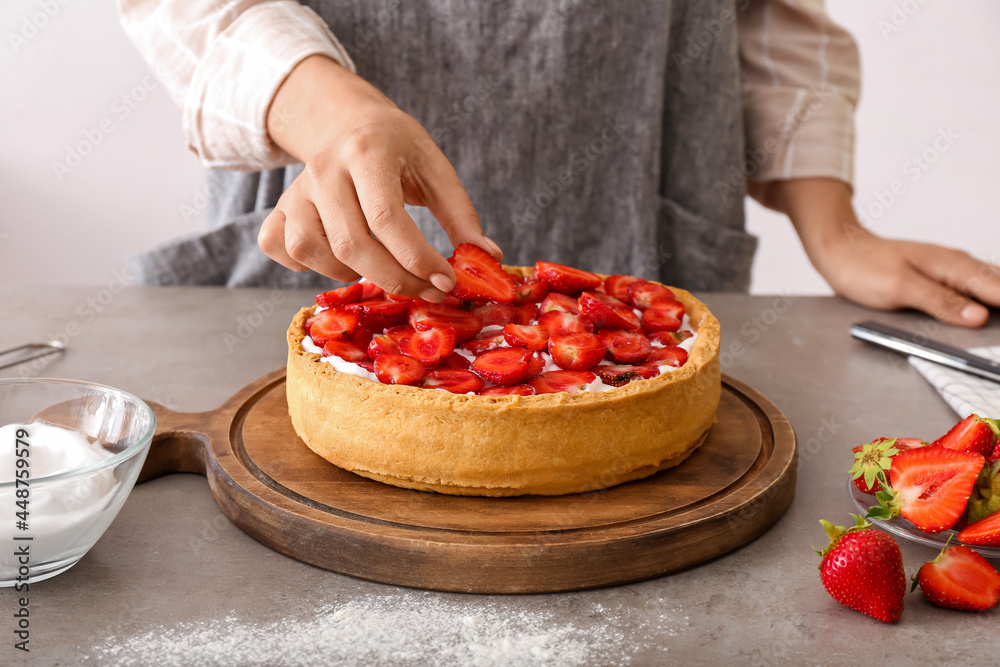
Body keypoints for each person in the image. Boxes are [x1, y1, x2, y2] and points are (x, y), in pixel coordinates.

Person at [118, 0, 1000, 327]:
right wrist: (332, 112)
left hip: (649, 231)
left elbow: (760, 15)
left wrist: (833, 228)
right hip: (314, 242)